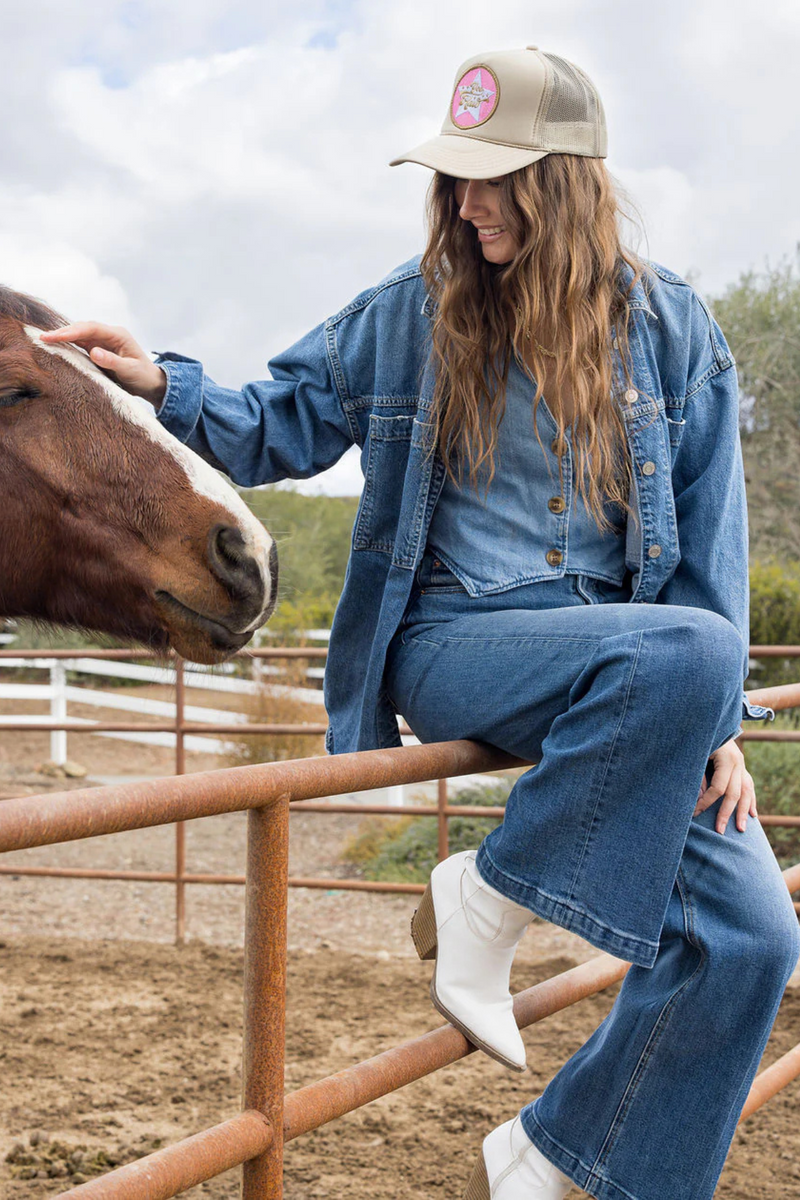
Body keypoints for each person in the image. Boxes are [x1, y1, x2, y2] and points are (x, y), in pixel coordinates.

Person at [42, 44, 799, 1200]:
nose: (469, 200)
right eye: (456, 176)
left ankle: (556, 1154)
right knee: (689, 654)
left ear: (567, 180)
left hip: (632, 672)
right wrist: (164, 389)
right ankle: (488, 898)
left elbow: (710, 544)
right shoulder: (411, 312)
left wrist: (709, 718)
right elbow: (277, 422)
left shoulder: (671, 331)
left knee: (752, 938)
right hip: (456, 645)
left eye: (496, 177)